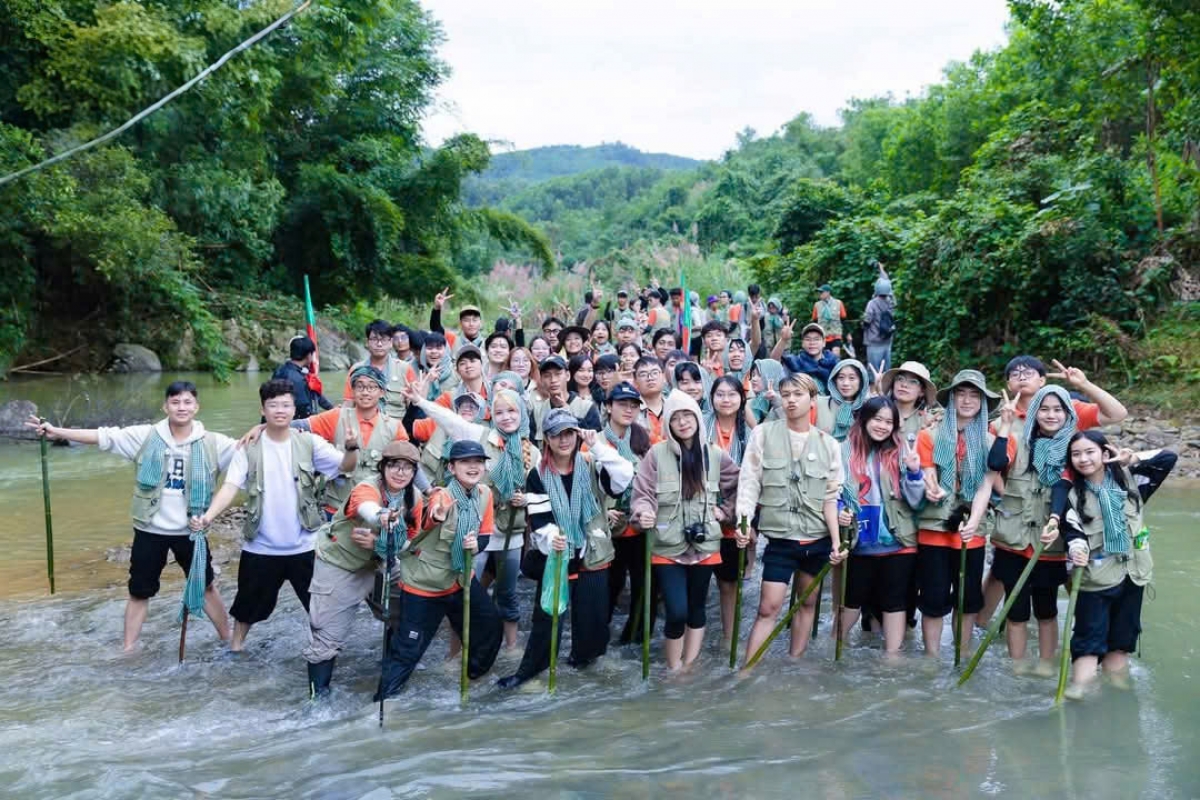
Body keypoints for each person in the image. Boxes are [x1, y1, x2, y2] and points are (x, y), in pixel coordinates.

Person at [27, 381, 238, 653]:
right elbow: (103, 437)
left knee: (205, 586)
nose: (181, 407)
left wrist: (261, 428)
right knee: (139, 592)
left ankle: (227, 638)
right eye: (175, 402)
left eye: (187, 402)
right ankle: (128, 649)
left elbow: (250, 451)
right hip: (150, 529)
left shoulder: (214, 443)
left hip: (192, 530)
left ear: (196, 407)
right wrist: (56, 432)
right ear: (165, 406)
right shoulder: (146, 436)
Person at [197, 380, 353, 652]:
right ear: (263, 409)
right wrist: (208, 517)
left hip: (305, 545)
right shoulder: (248, 447)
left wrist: (351, 449)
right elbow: (230, 487)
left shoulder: (309, 443)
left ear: (294, 409)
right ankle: (236, 649)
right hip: (261, 546)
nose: (280, 410)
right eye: (273, 405)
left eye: (285, 405)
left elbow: (345, 466)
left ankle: (325, 652)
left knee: (320, 608)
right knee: (246, 608)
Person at [497, 410, 634, 688]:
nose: (564, 440)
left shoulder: (592, 463)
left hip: (592, 552)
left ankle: (585, 664)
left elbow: (624, 476)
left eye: (569, 433)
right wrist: (552, 539)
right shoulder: (538, 474)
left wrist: (596, 445)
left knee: (594, 620)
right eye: (557, 434)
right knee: (548, 619)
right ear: (547, 439)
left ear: (577, 435)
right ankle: (532, 672)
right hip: (557, 556)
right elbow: (539, 519)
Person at [406, 382, 538, 651]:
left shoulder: (532, 452)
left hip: (511, 532)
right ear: (491, 415)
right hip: (474, 531)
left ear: (522, 413)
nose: (506, 417)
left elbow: (542, 492)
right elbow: (448, 419)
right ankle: (456, 654)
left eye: (512, 411)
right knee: (464, 591)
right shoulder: (480, 435)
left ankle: (511, 650)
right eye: (499, 412)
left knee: (508, 593)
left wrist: (526, 500)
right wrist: (420, 401)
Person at [376, 440, 504, 699]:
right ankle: (384, 701)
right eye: (465, 462)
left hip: (460, 579)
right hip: (425, 585)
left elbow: (484, 535)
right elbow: (424, 521)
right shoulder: (440, 496)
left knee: (490, 626)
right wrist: (437, 516)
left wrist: (475, 546)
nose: (473, 466)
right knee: (409, 650)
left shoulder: (484, 494)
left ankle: (473, 676)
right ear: (451, 468)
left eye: (478, 461)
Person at [1054, 432, 1176, 698]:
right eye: (1076, 454)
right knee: (1089, 638)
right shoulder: (1070, 494)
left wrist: (1130, 458)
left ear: (1105, 453)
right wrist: (1077, 549)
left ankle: (1118, 691)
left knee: (1121, 641)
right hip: (1094, 577)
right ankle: (1081, 687)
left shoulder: (1133, 481)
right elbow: (1072, 532)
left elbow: (1168, 458)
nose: (1083, 459)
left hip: (1133, 574)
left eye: (1090, 452)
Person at [737, 371, 846, 661]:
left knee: (808, 603)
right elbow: (749, 482)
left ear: (813, 400)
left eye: (798, 395)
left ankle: (795, 662)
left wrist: (837, 542)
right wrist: (743, 522)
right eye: (785, 395)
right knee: (768, 607)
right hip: (780, 539)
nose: (791, 401)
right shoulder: (763, 434)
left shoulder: (829, 444)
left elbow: (831, 496)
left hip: (817, 539)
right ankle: (748, 670)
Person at [303, 440, 424, 697]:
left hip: (382, 562)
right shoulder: (366, 487)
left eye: (407, 467)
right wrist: (382, 517)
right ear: (382, 468)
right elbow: (366, 507)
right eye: (394, 465)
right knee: (326, 635)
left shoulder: (415, 499)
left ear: (415, 472)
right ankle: (318, 698)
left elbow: (411, 543)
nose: (400, 472)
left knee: (407, 613)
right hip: (340, 562)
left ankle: (391, 672)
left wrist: (379, 543)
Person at [631, 391, 739, 670]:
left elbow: (740, 485)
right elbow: (642, 494)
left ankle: (688, 666)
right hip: (667, 546)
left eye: (688, 416)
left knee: (697, 608)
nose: (682, 422)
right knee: (676, 610)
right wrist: (644, 512)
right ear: (668, 423)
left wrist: (725, 512)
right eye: (675, 418)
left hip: (705, 545)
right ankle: (673, 668)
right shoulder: (656, 454)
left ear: (697, 418)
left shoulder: (714, 454)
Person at [986, 385, 1075, 670]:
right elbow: (995, 462)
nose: (1051, 415)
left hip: (1050, 543)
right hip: (1013, 539)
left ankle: (1046, 664)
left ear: (1068, 414)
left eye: (1058, 409)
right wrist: (1005, 425)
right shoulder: (1017, 439)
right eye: (1044, 409)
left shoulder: (1075, 448)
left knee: (1047, 609)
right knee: (1016, 610)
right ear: (1034, 412)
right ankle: (1018, 665)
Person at [913, 369, 999, 659]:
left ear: (983, 402)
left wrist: (974, 522)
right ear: (951, 399)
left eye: (974, 395)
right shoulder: (928, 435)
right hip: (934, 526)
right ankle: (932, 657)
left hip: (971, 529)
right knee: (933, 596)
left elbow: (986, 486)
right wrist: (933, 488)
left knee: (968, 598)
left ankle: (961, 655)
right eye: (961, 393)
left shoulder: (991, 442)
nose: (967, 400)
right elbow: (927, 473)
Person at [836, 397, 926, 654]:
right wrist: (840, 509)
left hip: (899, 540)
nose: (882, 426)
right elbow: (832, 491)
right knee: (851, 601)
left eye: (889, 422)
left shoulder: (901, 451)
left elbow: (916, 502)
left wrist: (914, 472)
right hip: (859, 540)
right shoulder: (843, 450)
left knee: (895, 603)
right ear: (864, 419)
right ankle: (835, 649)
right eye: (877, 419)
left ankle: (892, 660)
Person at [301, 366, 409, 518]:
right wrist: (269, 426)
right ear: (352, 390)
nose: (365, 392)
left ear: (382, 392)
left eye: (371, 387)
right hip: (335, 510)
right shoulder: (335, 417)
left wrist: (427, 491)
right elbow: (299, 426)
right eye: (360, 386)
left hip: (375, 510)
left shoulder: (394, 427)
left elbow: (408, 465)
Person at [601, 383, 656, 644]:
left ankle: (634, 639)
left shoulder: (643, 440)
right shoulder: (595, 441)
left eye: (633, 405)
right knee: (609, 586)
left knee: (644, 586)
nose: (628, 409)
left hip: (639, 526)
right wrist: (604, 510)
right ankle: (598, 637)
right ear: (608, 407)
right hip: (607, 529)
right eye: (622, 404)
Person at [706, 375, 754, 642]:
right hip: (703, 512)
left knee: (729, 583)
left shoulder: (750, 433)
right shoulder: (699, 426)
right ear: (711, 398)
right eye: (720, 394)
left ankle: (728, 639)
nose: (726, 400)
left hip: (736, 515)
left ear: (741, 399)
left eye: (732, 394)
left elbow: (756, 477)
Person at [343, 320, 418, 421]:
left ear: (391, 342)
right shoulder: (356, 370)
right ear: (367, 342)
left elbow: (413, 407)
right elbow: (348, 403)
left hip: (396, 426)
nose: (379, 344)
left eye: (383, 340)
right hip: (364, 425)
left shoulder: (405, 368)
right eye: (374, 339)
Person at [529, 355, 602, 446]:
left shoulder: (586, 407)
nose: (553, 380)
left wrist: (568, 412)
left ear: (568, 376)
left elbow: (595, 444)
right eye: (547, 376)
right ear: (541, 380)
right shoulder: (538, 411)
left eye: (558, 374)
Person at [271, 336, 331, 420]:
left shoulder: (279, 370)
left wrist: (333, 409)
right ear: (309, 355)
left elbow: (316, 395)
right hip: (292, 423)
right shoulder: (299, 379)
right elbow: (303, 410)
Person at [878, 361, 939, 439]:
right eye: (900, 379)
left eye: (913, 382)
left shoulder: (927, 420)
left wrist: (926, 435)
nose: (904, 385)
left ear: (922, 391)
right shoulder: (878, 411)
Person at [815, 359, 871, 441]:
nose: (845, 383)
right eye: (841, 377)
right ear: (834, 380)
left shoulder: (868, 407)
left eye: (852, 378)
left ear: (861, 381)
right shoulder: (819, 403)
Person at [784, 323, 837, 394]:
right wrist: (783, 340)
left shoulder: (834, 363)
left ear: (824, 343)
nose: (812, 343)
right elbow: (773, 362)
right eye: (808, 339)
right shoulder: (794, 362)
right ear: (802, 343)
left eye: (816, 339)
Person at [429, 288, 485, 355]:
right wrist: (437, 308)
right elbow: (436, 329)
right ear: (460, 324)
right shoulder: (452, 340)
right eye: (466, 320)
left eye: (474, 320)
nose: (471, 324)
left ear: (480, 323)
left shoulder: (489, 343)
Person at [862, 273, 896, 372]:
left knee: (874, 371)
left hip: (874, 342)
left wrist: (863, 324)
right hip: (887, 340)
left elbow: (867, 320)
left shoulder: (872, 303)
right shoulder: (891, 303)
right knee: (886, 369)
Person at [633, 355, 668, 441]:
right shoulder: (630, 410)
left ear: (664, 377)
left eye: (655, 373)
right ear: (635, 382)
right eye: (643, 374)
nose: (650, 378)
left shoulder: (673, 406)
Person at [811, 284, 848, 357]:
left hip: (836, 334)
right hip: (823, 335)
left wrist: (847, 334)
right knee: (824, 356)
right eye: (819, 292)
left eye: (821, 292)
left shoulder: (838, 303)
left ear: (828, 293)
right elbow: (814, 320)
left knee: (835, 354)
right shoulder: (817, 305)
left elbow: (844, 319)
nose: (820, 294)